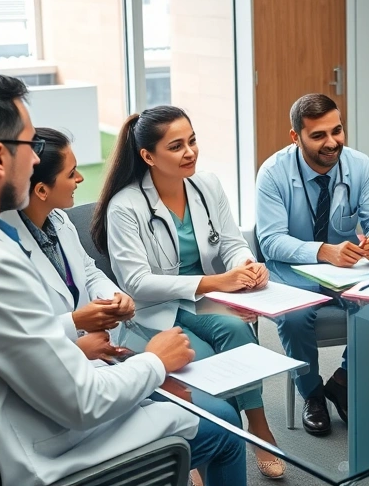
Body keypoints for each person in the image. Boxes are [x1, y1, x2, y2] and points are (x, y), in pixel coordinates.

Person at [0, 71, 246, 486]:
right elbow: (83, 402)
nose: (34, 160)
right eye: (30, 145)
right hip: (41, 449)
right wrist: (157, 359)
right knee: (223, 425)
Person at [92, 106, 284, 478]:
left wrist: (246, 264)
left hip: (205, 298)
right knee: (215, 346)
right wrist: (216, 282)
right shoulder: (125, 207)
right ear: (148, 156)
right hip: (156, 306)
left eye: (192, 141)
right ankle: (211, 438)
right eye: (177, 146)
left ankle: (257, 428)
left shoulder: (207, 185)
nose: (190, 152)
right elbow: (136, 282)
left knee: (236, 330)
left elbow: (230, 243)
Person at [255, 93, 369, 436]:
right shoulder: (273, 173)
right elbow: (270, 241)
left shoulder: (358, 165)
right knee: (295, 317)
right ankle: (313, 394)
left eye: (337, 131)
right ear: (296, 137)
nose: (332, 143)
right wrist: (322, 251)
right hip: (293, 269)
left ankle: (342, 380)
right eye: (318, 135)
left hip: (346, 270)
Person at [0, 128, 134, 359]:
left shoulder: (58, 220)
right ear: (42, 190)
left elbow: (89, 272)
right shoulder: (3, 249)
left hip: (93, 356)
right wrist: (76, 322)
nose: (80, 178)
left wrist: (113, 297)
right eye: (71, 174)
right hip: (51, 366)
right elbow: (14, 337)